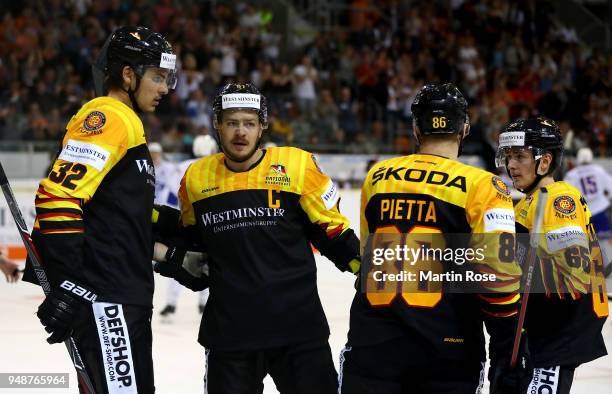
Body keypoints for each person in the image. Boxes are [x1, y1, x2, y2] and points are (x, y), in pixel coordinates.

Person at [153, 82, 360, 393]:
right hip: (230, 339)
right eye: (232, 123)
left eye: (249, 123)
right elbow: (195, 248)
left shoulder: (297, 166)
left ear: (262, 126)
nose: (241, 132)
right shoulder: (196, 179)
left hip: (299, 335)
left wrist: (371, 272)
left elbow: (334, 235)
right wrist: (162, 247)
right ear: (217, 126)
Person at [340, 83, 530, 394]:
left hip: (373, 343)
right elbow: (498, 277)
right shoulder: (485, 186)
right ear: (464, 129)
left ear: (416, 128)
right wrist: (509, 347)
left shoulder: (378, 176)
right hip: (448, 347)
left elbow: (368, 258)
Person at [22, 26, 177, 393]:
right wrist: (71, 283)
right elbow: (58, 198)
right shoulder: (109, 116)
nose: (165, 88)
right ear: (127, 75)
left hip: (122, 298)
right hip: (108, 302)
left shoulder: (131, 127)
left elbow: (121, 214)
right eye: (157, 76)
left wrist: (175, 247)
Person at [496, 117, 609, 394]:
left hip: (558, 332)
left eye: (520, 156)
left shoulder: (558, 198)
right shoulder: (529, 202)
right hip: (540, 330)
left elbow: (574, 275)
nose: (511, 165)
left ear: (544, 162)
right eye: (509, 157)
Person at [153, 137, 217, 318]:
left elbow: (172, 195)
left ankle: (172, 304)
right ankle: (204, 304)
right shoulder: (218, 164)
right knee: (207, 262)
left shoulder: (182, 166)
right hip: (208, 221)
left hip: (183, 220)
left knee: (180, 260)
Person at [564, 147, 612, 239]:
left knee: (586, 246)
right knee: (604, 246)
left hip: (582, 215)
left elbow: (566, 196)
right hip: (600, 211)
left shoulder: (572, 174)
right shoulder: (599, 170)